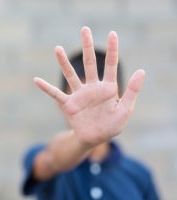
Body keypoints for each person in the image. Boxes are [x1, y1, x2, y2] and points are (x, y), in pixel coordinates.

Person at [21, 26, 160, 200]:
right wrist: (81, 141)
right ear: (60, 104)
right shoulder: (44, 157)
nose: (92, 111)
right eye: (80, 101)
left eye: (101, 102)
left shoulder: (140, 174)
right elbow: (51, 160)